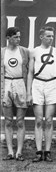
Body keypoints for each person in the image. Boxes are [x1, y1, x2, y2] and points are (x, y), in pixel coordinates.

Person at [27, 26, 56, 162]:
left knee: (49, 119)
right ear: (41, 37)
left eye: (52, 36)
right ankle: (38, 151)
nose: (50, 38)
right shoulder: (34, 52)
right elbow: (30, 73)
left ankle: (47, 151)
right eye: (48, 36)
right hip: (38, 84)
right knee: (39, 120)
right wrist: (29, 92)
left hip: (52, 84)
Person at [1, 27, 29, 161]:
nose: (19, 39)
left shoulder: (24, 51)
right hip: (6, 85)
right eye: (16, 37)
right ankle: (10, 151)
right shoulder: (2, 53)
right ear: (8, 38)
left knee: (20, 121)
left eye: (19, 37)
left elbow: (29, 72)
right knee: (8, 121)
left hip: (20, 85)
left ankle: (19, 152)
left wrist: (28, 91)